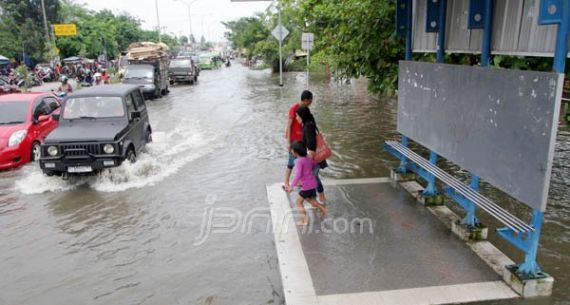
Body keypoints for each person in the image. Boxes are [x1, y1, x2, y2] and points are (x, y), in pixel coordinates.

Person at [285, 141, 327, 226]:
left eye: (291, 150)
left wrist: (291, 186)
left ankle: (304, 221)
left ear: (295, 152)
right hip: (313, 184)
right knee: (309, 199)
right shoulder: (308, 158)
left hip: (307, 186)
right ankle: (323, 209)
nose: (291, 152)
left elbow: (298, 175)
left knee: (299, 202)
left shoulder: (298, 161)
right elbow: (314, 164)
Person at [296, 105, 327, 204]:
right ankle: (318, 198)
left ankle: (320, 198)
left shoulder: (308, 126)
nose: (296, 118)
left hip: (314, 159)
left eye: (297, 116)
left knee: (313, 178)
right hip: (313, 159)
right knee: (314, 177)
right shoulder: (308, 124)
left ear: (302, 116)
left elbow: (312, 147)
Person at [284, 90, 313, 189]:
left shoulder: (305, 109)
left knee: (302, 161)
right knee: (291, 162)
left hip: (302, 139)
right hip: (294, 140)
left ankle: (300, 180)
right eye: (310, 101)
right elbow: (289, 125)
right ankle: (286, 181)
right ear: (305, 100)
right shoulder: (294, 108)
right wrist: (288, 142)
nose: (310, 103)